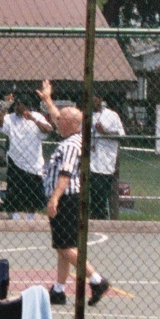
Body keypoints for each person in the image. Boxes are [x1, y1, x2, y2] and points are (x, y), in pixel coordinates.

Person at [44, 105, 112, 307]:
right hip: (67, 198)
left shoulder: (71, 145)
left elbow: (65, 174)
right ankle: (59, 290)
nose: (56, 122)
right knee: (63, 247)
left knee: (65, 247)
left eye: (60, 121)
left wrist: (55, 198)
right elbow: (60, 117)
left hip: (67, 198)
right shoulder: (71, 137)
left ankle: (97, 280)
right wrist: (48, 99)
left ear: (69, 124)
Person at [0, 92, 51, 220]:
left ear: (26, 106)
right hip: (16, 161)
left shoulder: (37, 116)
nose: (16, 107)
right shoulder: (10, 118)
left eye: (19, 105)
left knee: (33, 195)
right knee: (15, 193)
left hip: (33, 163)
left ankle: (30, 217)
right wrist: (5, 107)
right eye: (15, 104)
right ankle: (15, 217)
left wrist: (33, 119)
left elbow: (48, 130)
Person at [90, 99, 124, 220]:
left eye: (95, 98)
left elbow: (122, 136)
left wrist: (105, 132)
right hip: (89, 163)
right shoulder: (86, 116)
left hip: (106, 163)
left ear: (100, 99)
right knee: (92, 197)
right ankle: (94, 219)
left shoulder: (112, 115)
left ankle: (103, 220)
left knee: (102, 196)